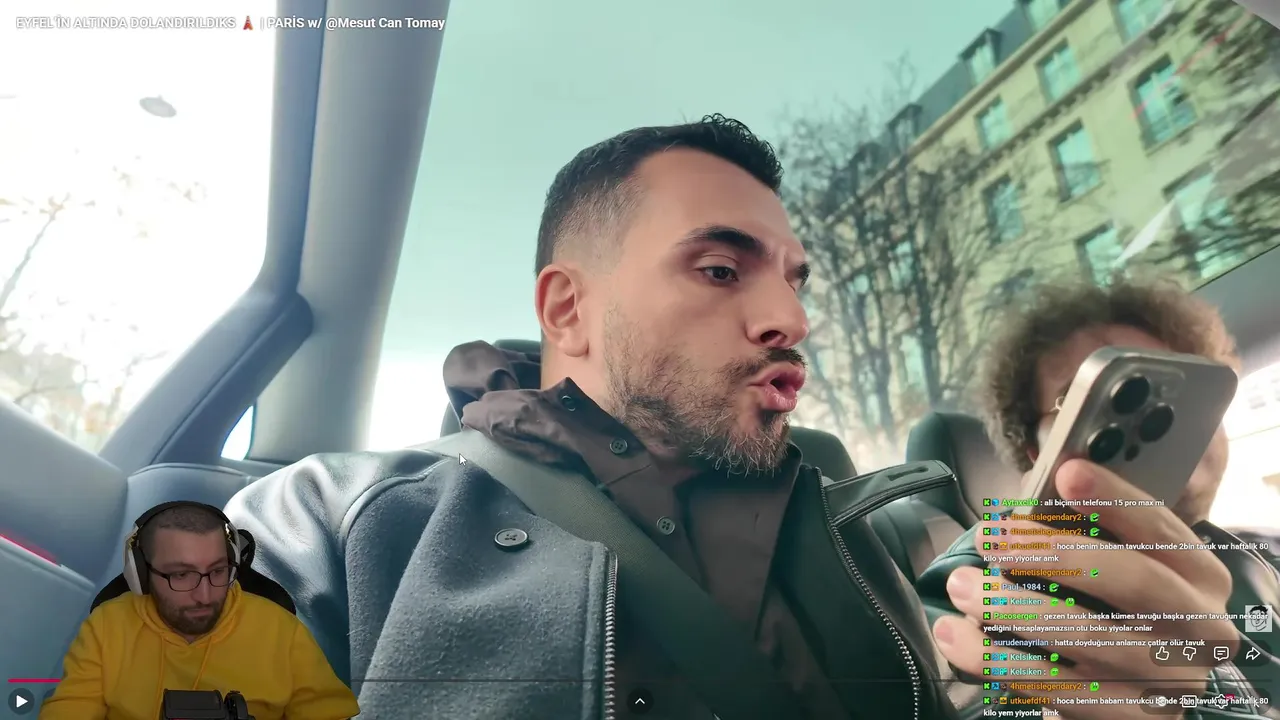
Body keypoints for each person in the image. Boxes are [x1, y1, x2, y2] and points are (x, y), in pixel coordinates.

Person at [225, 115, 968, 719]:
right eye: (719, 270)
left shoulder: (850, 526)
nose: (792, 320)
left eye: (794, 283)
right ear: (567, 309)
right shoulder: (330, 520)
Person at [921, 279, 1280, 718]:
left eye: (1183, 394)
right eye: (1120, 395)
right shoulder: (985, 575)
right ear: (1036, 452)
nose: (1163, 419)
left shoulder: (1260, 557)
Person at [40, 502, 359, 720]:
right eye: (181, 575)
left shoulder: (280, 630)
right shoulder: (107, 627)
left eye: (218, 571)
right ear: (141, 573)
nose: (204, 596)